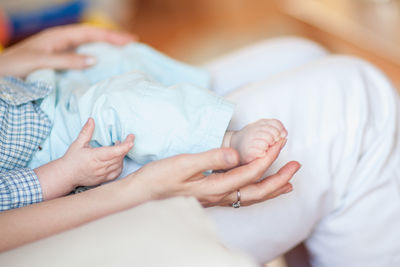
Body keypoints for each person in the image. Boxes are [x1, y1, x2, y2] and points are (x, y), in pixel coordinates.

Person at [1, 25, 400, 267]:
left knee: (302, 54)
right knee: (357, 99)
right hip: (55, 169)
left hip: (37, 102)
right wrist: (127, 189)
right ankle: (223, 136)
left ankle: (187, 107)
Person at [0, 25, 298, 252]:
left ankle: (192, 97)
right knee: (116, 106)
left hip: (37, 92)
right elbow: (10, 195)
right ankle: (222, 138)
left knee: (111, 58)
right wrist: (67, 172)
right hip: (49, 150)